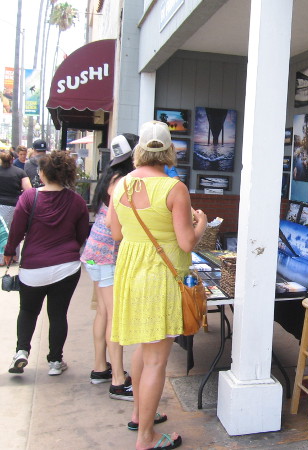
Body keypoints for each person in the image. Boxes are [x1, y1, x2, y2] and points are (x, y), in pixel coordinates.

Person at [110, 121, 207, 450]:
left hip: (130, 275)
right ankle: (146, 438)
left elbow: (117, 233)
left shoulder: (121, 184)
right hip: (160, 278)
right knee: (155, 360)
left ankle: (140, 415)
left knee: (144, 348)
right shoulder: (173, 188)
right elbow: (187, 242)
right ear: (169, 151)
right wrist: (201, 223)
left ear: (139, 150)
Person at [4, 151, 89, 376]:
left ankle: (21, 351)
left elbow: (17, 230)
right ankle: (55, 361)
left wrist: (9, 251)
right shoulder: (77, 201)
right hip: (66, 267)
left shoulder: (29, 197)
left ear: (42, 173)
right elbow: (82, 235)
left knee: (28, 310)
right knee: (58, 314)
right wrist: (69, 249)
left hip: (33, 267)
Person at [81, 133, 138, 400]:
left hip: (94, 252)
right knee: (115, 319)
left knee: (103, 313)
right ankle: (117, 380)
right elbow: (113, 223)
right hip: (107, 255)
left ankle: (100, 367)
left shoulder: (111, 176)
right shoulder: (124, 181)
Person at [0, 151, 31, 265]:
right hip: (15, 205)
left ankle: (1, 258)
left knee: (2, 232)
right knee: (15, 230)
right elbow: (28, 190)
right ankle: (14, 256)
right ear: (12, 159)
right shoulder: (20, 172)